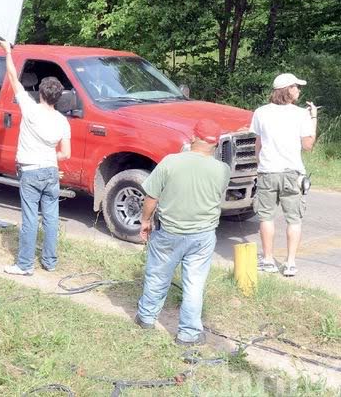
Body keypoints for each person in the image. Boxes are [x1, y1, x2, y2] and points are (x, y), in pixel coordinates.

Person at [135, 120, 230, 346]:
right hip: (203, 236)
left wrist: (145, 221)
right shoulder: (222, 169)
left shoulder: (170, 162)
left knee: (158, 275)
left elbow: (151, 197)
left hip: (169, 231)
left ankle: (146, 317)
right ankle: (188, 334)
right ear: (216, 143)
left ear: (193, 137)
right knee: (194, 284)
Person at [0, 40, 71, 276]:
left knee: (29, 218)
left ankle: (25, 265)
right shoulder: (62, 121)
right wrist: (51, 156)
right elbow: (66, 153)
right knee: (51, 218)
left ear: (40, 92)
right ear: (59, 97)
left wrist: (8, 51)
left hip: (30, 170)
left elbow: (12, 76)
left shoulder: (30, 109)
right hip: (51, 171)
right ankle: (50, 262)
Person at [250, 73, 317, 277]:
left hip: (268, 171)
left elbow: (258, 145)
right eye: (296, 87)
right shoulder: (300, 114)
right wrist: (313, 117)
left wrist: (260, 163)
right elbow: (308, 145)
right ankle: (290, 263)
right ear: (288, 89)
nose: (299, 90)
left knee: (266, 217)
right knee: (294, 219)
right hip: (292, 173)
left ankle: (268, 260)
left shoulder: (261, 112)